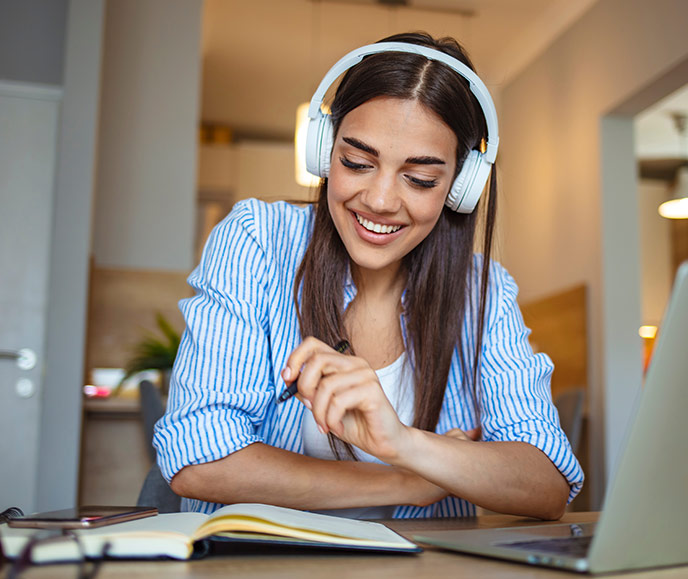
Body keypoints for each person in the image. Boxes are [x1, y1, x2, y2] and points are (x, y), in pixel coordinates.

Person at [155, 32, 583, 519]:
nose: (380, 200)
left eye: (420, 179)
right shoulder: (258, 240)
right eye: (357, 163)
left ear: (460, 187)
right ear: (323, 150)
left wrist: (403, 443)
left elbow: (547, 482)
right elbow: (199, 459)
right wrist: (401, 481)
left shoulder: (481, 291)